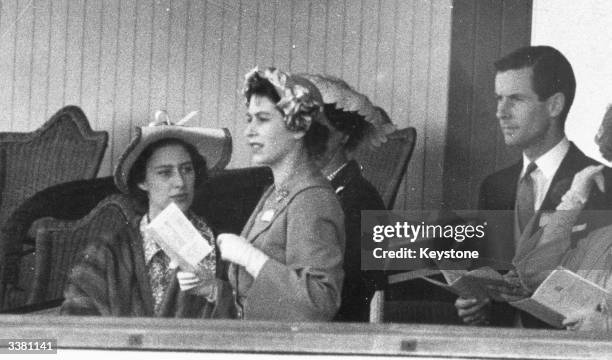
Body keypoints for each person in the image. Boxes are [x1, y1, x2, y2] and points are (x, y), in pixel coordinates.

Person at [455, 46, 606, 327]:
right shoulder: (494, 186)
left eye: (516, 99)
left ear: (554, 105)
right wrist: (476, 302)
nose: (501, 112)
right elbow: (483, 271)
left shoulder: (602, 183)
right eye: (499, 99)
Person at [61, 117, 234, 317]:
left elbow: (249, 311)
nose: (180, 182)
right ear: (142, 181)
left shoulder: (223, 248)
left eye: (186, 170)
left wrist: (217, 290)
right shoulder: (108, 250)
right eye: (165, 173)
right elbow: (75, 319)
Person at [216, 67, 345, 321]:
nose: (249, 131)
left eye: (262, 119)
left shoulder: (311, 199)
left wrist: (252, 259)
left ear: (298, 127)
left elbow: (319, 301)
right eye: (249, 119)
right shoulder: (277, 192)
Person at [301, 74, 392, 322]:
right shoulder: (304, 189)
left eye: (316, 128)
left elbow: (347, 297)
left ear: (343, 133)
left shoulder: (361, 202)